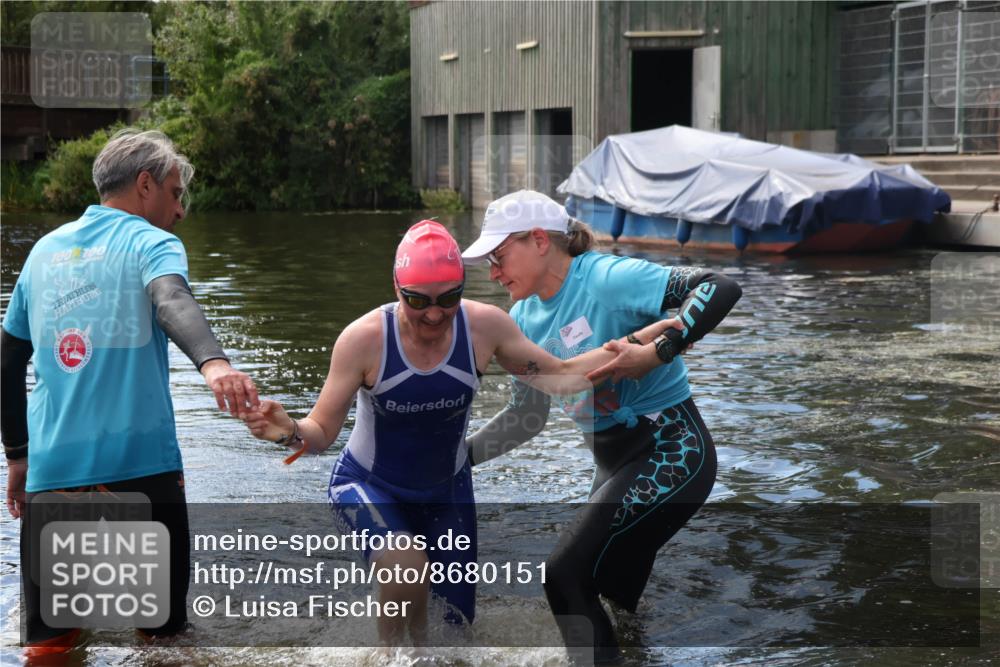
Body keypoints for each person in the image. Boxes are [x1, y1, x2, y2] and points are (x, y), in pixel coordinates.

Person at [242, 220, 677, 649]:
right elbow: (321, 432)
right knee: (405, 568)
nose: (434, 313)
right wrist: (290, 431)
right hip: (367, 485)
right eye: (418, 300)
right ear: (397, 288)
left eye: (448, 298)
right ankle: (386, 658)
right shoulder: (364, 340)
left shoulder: (485, 328)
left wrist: (641, 343)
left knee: (454, 637)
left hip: (447, 494)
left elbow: (563, 377)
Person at [1, 129, 259, 657]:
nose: (180, 210)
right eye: (175, 192)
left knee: (50, 649)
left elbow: (6, 361)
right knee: (163, 645)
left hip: (53, 476)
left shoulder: (43, 253)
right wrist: (214, 364)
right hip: (141, 472)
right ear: (145, 185)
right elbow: (171, 299)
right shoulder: (151, 242)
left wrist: (18, 456)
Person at [462, 189, 743, 664]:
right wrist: (454, 460)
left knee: (564, 575)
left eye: (499, 256)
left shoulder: (607, 279)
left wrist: (657, 353)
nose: (492, 272)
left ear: (538, 240)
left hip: (672, 452)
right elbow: (525, 418)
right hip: (613, 468)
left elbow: (719, 285)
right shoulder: (521, 320)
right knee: (611, 603)